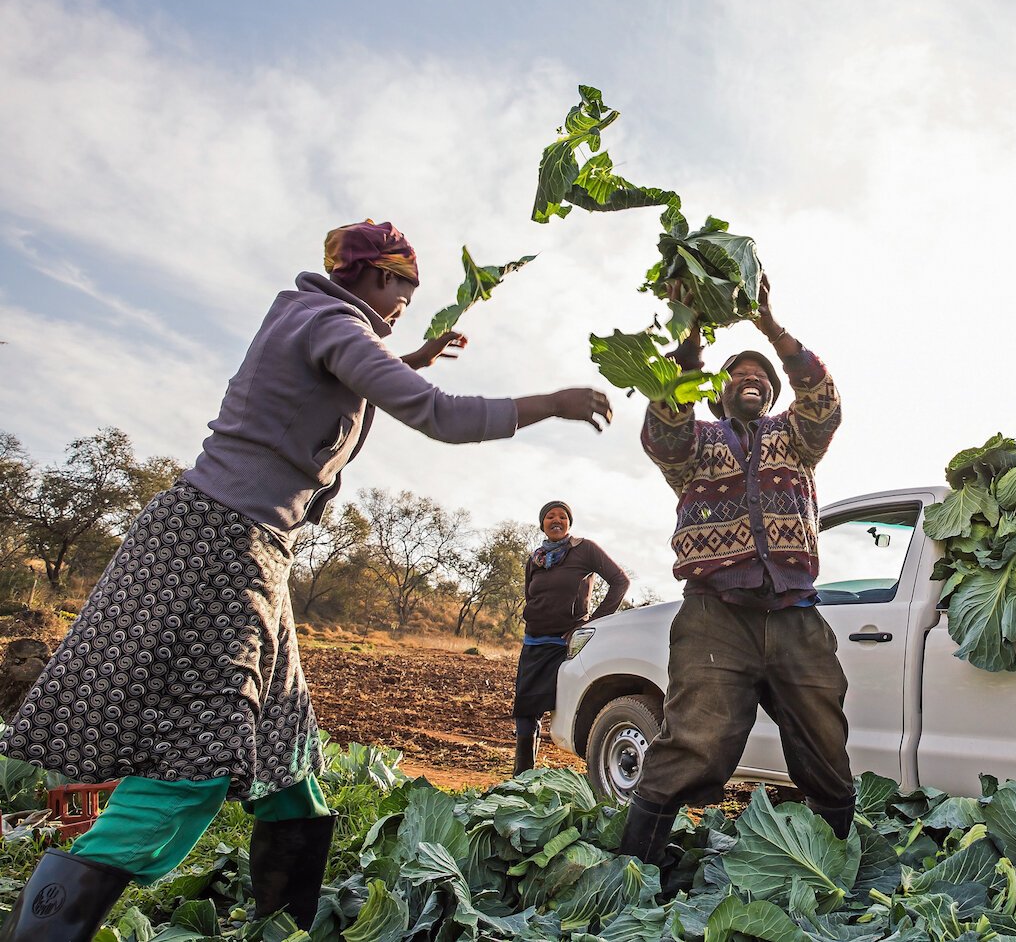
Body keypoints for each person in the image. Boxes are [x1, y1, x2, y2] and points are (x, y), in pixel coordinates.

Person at [0, 220, 612, 939]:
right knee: (192, 761)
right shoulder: (333, 323)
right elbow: (439, 415)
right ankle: (42, 930)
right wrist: (554, 404)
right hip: (219, 549)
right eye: (403, 297)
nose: (399, 311)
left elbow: (344, 382)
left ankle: (280, 928)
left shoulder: (308, 317)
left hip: (248, 545)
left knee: (284, 753)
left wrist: (412, 354)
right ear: (379, 278)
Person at [618, 273, 853, 867]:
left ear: (772, 394)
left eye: (761, 378)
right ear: (717, 392)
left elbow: (824, 401)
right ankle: (633, 871)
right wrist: (691, 334)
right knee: (694, 741)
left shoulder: (796, 439)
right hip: (715, 617)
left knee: (825, 747)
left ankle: (831, 867)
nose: (750, 380)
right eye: (737, 376)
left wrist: (769, 327)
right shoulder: (696, 443)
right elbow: (663, 428)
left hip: (796, 617)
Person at [512, 499, 629, 775]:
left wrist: (594, 622)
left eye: (562, 517)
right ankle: (522, 776)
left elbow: (620, 581)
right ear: (542, 524)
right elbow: (531, 594)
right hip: (534, 642)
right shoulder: (536, 558)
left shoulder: (584, 549)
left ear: (569, 523)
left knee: (572, 705)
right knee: (525, 710)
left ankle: (599, 775)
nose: (556, 520)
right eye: (550, 516)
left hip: (566, 645)